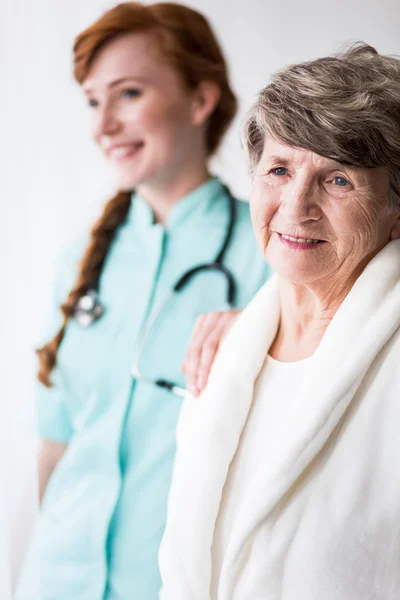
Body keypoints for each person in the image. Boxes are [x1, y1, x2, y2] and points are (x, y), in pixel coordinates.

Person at [35, 3, 271, 599]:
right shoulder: (79, 263)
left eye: (129, 94)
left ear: (200, 100)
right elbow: (56, 445)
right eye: (93, 101)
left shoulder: (274, 253)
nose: (102, 125)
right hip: (55, 579)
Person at [159, 43, 400, 600]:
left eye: (338, 180)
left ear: (396, 210)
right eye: (278, 169)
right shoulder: (229, 351)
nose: (295, 207)